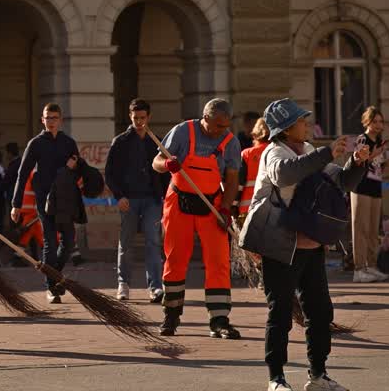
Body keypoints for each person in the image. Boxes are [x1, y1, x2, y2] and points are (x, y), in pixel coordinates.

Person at [240, 98, 369, 391]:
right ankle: (276, 379)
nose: (306, 123)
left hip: (311, 246)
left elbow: (340, 182)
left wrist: (357, 163)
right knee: (280, 314)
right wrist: (325, 153)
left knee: (320, 313)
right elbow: (286, 173)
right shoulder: (273, 153)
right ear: (286, 129)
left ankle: (318, 376)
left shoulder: (309, 150)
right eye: (301, 120)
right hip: (279, 247)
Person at [153, 98, 242, 339]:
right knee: (175, 258)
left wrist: (226, 209)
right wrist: (167, 164)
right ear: (205, 118)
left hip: (212, 204)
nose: (221, 131)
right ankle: (171, 315)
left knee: (218, 261)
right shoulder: (182, 132)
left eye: (225, 126)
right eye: (217, 125)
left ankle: (219, 319)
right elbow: (156, 163)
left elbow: (232, 179)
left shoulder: (230, 142)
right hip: (178, 202)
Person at [11, 103, 80, 303]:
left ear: (60, 120)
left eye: (54, 117)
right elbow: (22, 173)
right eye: (47, 118)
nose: (51, 121)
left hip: (65, 200)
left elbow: (78, 168)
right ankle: (51, 287)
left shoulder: (69, 143)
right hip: (45, 200)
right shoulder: (36, 143)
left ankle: (54, 275)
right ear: (42, 120)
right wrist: (16, 204)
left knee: (68, 242)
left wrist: (76, 170)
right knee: (50, 242)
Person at [105, 97, 166, 303]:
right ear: (130, 117)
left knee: (153, 242)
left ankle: (155, 287)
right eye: (135, 118)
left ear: (148, 117)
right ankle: (123, 284)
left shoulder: (157, 142)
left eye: (142, 118)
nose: (139, 122)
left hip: (152, 200)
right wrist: (119, 196)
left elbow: (165, 172)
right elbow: (110, 174)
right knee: (126, 243)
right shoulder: (120, 142)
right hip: (128, 200)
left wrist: (164, 196)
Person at [351, 107, 389, 283]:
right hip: (361, 187)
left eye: (381, 122)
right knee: (361, 229)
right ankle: (359, 269)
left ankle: (372, 266)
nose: (379, 125)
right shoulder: (362, 139)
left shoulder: (380, 140)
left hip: (376, 187)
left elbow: (378, 165)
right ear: (367, 122)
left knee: (374, 230)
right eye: (375, 122)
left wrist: (386, 161)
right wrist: (376, 153)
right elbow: (360, 160)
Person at [238, 119, 272, 218]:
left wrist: (233, 206)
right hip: (273, 211)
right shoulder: (281, 153)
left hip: (248, 210)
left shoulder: (247, 154)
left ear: (255, 134)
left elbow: (238, 184)